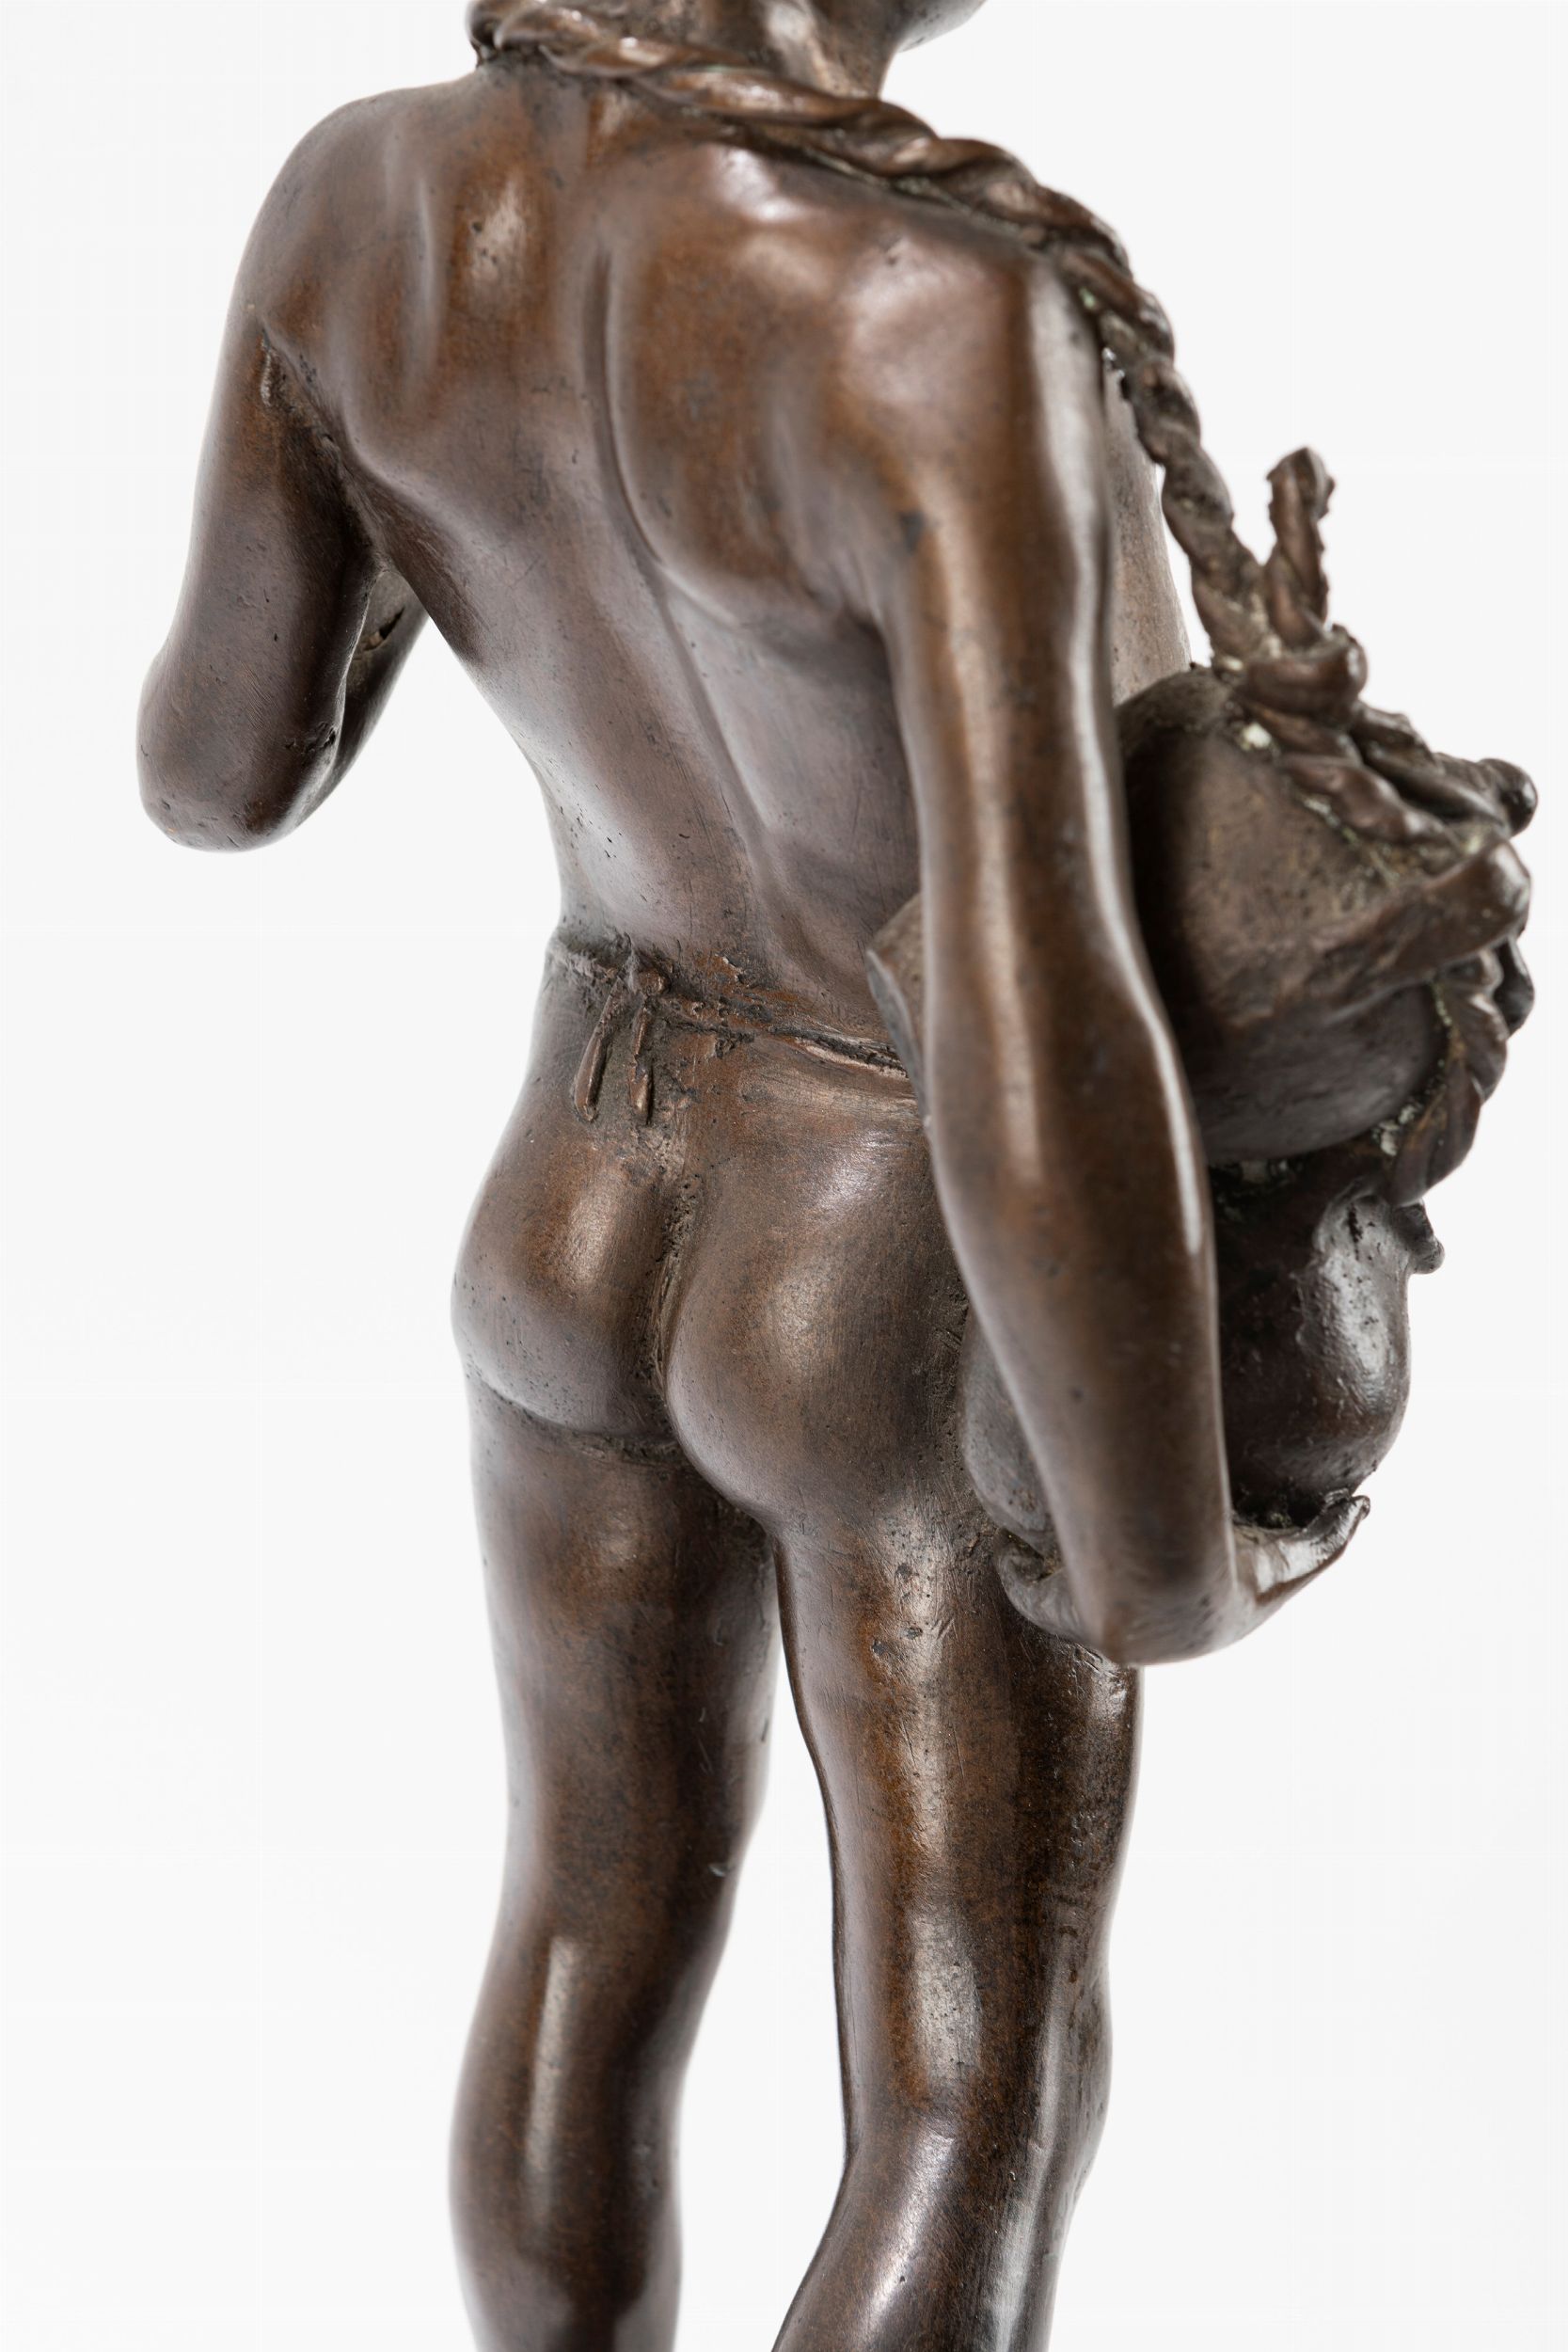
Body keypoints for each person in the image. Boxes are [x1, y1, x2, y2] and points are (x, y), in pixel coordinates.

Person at [137, 3, 1483, 2340]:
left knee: (589, 1928)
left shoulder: (358, 207)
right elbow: (1030, 1024)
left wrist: (477, 504)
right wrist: (1166, 1561)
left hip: (577, 1177)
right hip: (886, 1262)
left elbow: (215, 772)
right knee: (969, 2094)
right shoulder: (932, 309)